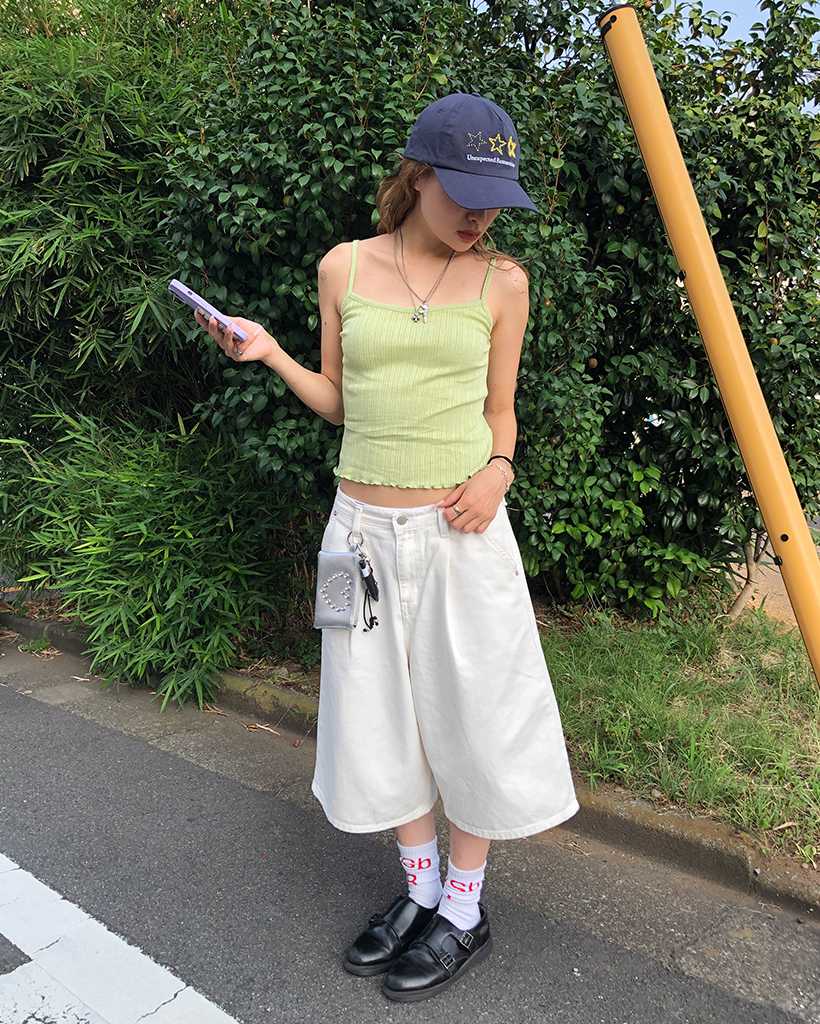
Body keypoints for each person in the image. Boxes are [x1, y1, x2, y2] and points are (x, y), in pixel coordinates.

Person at [195, 92, 578, 1002]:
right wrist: (270, 354)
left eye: (494, 200)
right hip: (356, 536)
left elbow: (500, 410)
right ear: (418, 176)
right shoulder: (344, 267)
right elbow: (340, 401)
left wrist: (500, 470)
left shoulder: (503, 282)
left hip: (462, 532)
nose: (480, 216)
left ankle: (464, 909)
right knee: (374, 711)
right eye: (464, 194)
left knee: (479, 710)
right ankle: (421, 892)